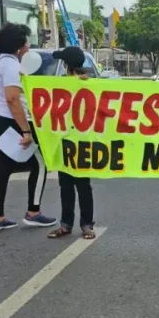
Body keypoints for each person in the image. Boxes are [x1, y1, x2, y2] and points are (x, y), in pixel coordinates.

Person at [0, 22, 56, 232]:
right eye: (26, 42)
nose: (28, 46)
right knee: (40, 165)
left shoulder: (0, 62)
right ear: (18, 46)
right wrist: (25, 131)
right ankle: (33, 212)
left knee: (3, 168)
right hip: (11, 121)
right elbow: (13, 99)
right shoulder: (12, 66)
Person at [47, 47, 96, 240]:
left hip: (82, 141)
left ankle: (86, 224)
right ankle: (66, 224)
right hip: (64, 140)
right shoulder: (61, 84)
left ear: (67, 65)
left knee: (82, 185)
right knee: (66, 184)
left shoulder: (89, 84)